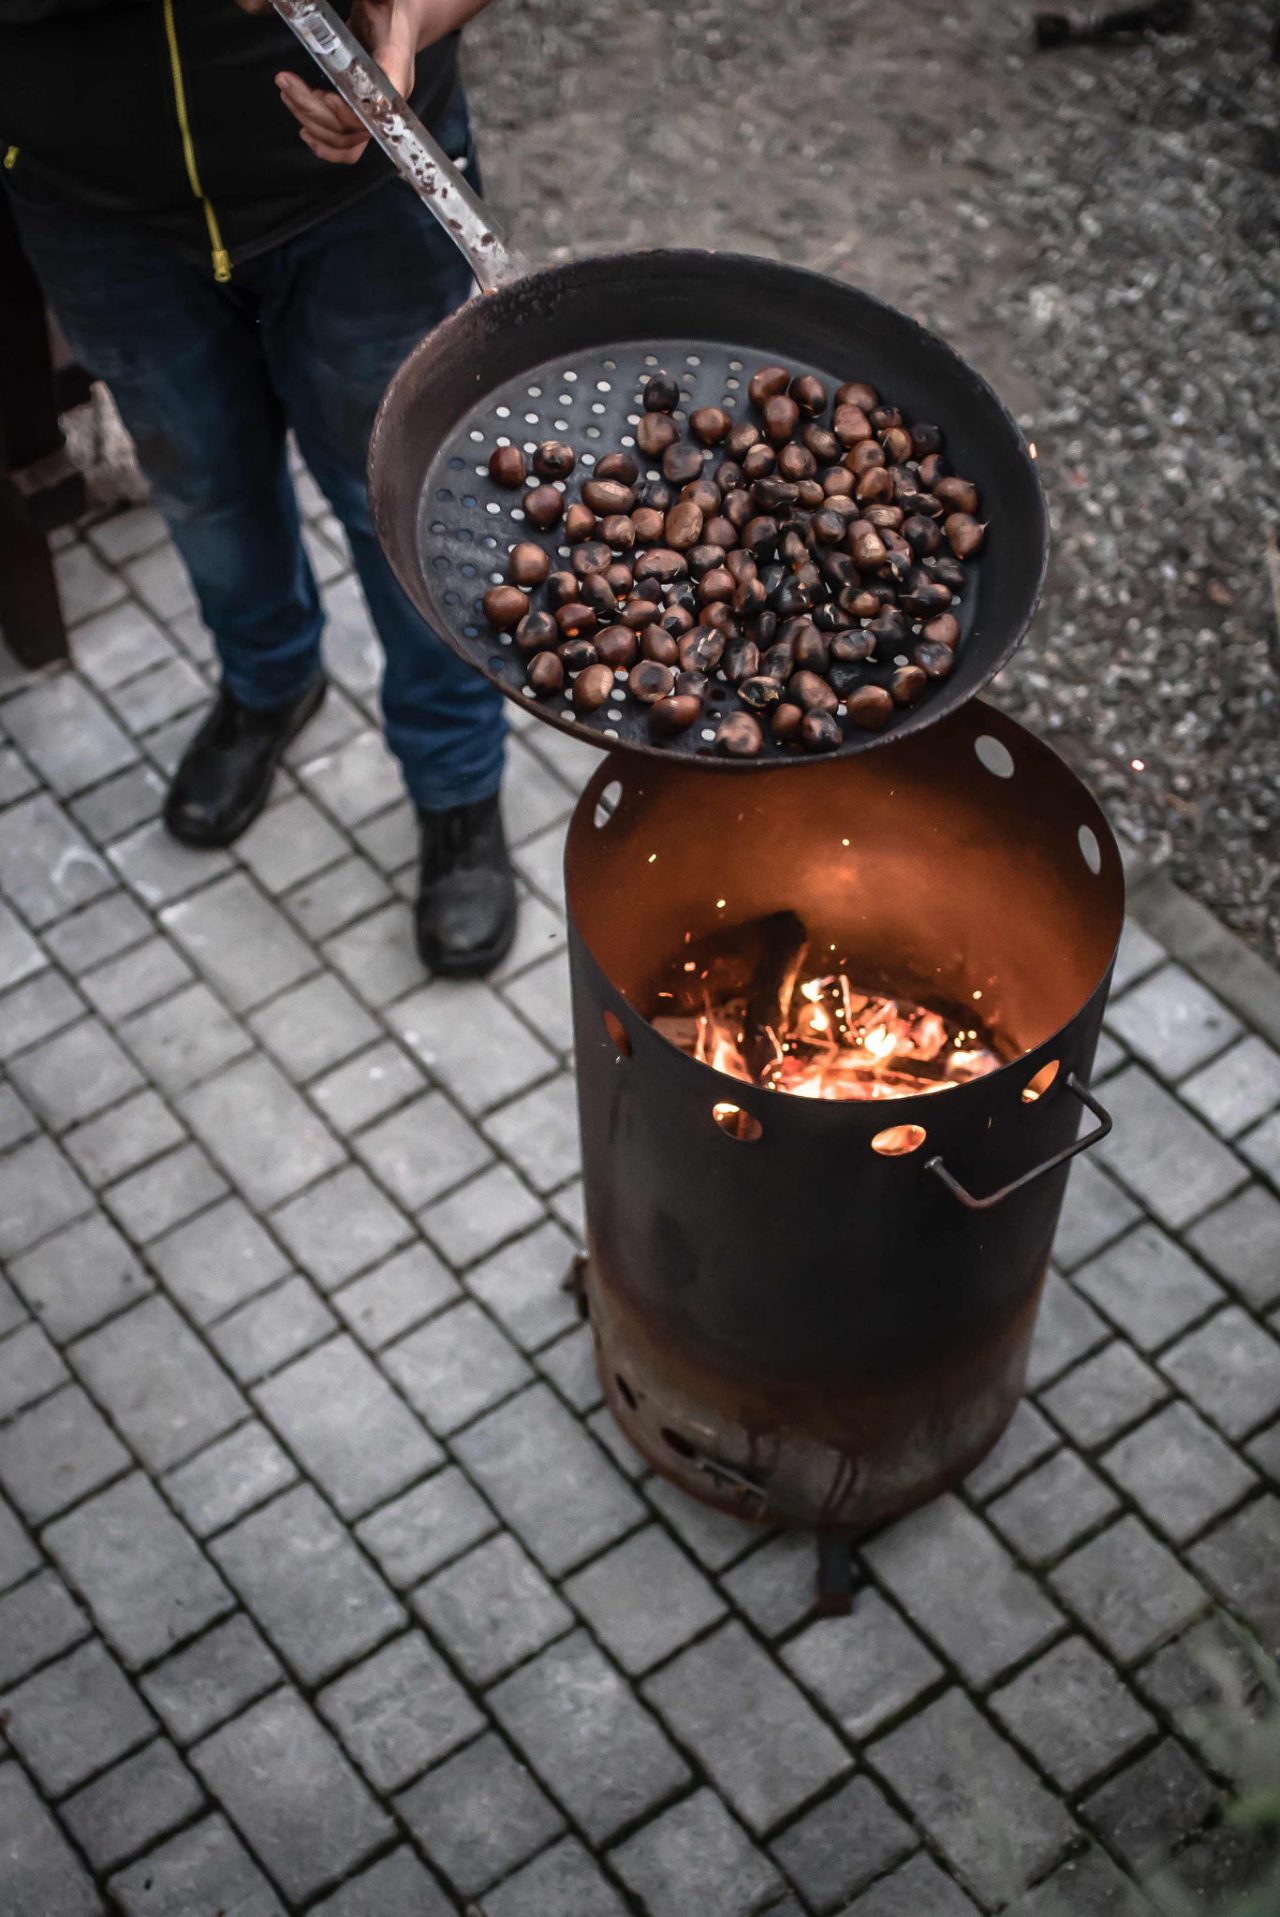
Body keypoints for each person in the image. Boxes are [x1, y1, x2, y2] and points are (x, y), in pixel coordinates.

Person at [0, 0, 515, 977]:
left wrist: (409, 23)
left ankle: (456, 779)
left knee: (408, 515)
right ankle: (270, 683)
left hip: (364, 204)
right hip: (97, 213)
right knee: (201, 492)